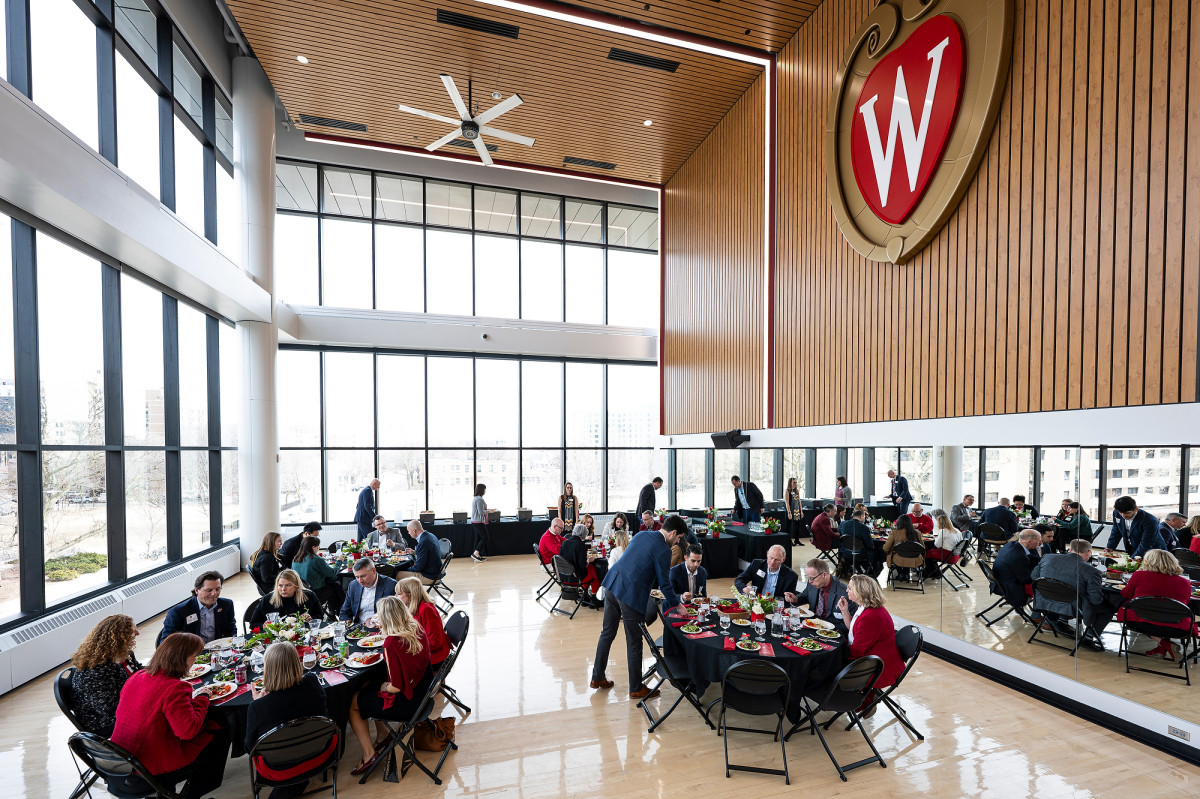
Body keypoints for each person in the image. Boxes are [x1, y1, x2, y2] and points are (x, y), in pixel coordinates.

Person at [110, 633, 230, 799]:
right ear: (181, 658)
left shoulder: (136, 676)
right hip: (150, 768)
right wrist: (203, 698)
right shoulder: (175, 688)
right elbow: (188, 731)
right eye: (194, 656)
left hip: (119, 762)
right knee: (220, 731)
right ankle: (192, 794)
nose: (196, 660)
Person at [590, 515, 686, 698]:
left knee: (607, 633)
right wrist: (678, 605)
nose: (678, 542)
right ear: (673, 533)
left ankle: (597, 676)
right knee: (634, 642)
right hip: (630, 594)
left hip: (612, 584)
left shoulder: (642, 535)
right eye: (679, 538)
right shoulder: (664, 549)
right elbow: (665, 584)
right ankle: (635, 688)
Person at [347, 596, 433, 777]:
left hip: (408, 704)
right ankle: (383, 735)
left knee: (353, 702)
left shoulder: (392, 643)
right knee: (370, 685)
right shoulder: (415, 626)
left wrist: (383, 686)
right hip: (423, 692)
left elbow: (395, 687)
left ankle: (369, 754)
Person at [245, 643, 329, 799]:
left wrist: (258, 703)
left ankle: (293, 785)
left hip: (279, 768)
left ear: (267, 669)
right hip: (319, 752)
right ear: (297, 663)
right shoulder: (312, 683)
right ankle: (298, 782)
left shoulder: (258, 707)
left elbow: (250, 747)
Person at [1030, 538, 1114, 651]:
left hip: (1045, 602)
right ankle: (1088, 638)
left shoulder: (1048, 557)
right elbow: (1095, 600)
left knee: (1070, 593)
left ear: (1070, 549)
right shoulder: (1091, 571)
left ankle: (1062, 622)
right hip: (1072, 607)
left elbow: (1034, 577)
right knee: (1108, 609)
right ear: (1089, 552)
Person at [840, 575, 905, 715]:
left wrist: (835, 649)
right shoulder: (867, 608)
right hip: (881, 660)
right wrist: (845, 611)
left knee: (828, 664)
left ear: (860, 592)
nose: (846, 590)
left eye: (850, 588)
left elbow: (856, 652)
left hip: (877, 669)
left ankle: (860, 698)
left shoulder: (869, 616)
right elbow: (855, 630)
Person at [69, 614, 142, 737]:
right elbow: (109, 710)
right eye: (132, 631)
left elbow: (139, 673)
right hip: (102, 723)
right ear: (120, 637)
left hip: (126, 707)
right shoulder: (95, 670)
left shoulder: (125, 655)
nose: (137, 633)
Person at [1119, 549, 1199, 661]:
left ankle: (1164, 644)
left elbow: (1125, 594)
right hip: (1176, 626)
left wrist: (1139, 574)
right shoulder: (1185, 583)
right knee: (1164, 614)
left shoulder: (1140, 575)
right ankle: (1162, 648)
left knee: (1139, 612)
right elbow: (1185, 602)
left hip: (1141, 622)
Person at [157, 571, 236, 645]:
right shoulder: (179, 611)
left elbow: (231, 631)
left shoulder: (227, 605)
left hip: (218, 651)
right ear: (196, 590)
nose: (214, 593)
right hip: (191, 653)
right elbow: (166, 642)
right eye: (209, 590)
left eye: (217, 589)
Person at [395, 576, 450, 668]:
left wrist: (410, 648)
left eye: (399, 594)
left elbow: (435, 642)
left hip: (434, 657)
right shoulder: (412, 607)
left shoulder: (426, 610)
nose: (396, 597)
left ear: (411, 595)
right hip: (423, 649)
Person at [786, 559, 856, 631]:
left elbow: (852, 623)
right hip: (811, 624)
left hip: (833, 631)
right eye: (808, 578)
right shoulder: (812, 583)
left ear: (824, 575)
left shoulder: (845, 593)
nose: (809, 581)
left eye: (812, 578)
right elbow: (805, 596)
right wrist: (795, 599)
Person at [249, 569, 324, 629]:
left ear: (296, 586)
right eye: (280, 585)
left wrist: (311, 619)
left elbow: (319, 616)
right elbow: (253, 624)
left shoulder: (309, 596)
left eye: (288, 585)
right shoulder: (268, 600)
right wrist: (264, 625)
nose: (283, 589)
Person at [991, 529, 1044, 614]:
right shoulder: (1019, 557)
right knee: (1045, 587)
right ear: (1029, 542)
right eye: (1038, 541)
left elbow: (1030, 557)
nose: (1040, 543)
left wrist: (1046, 560)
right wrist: (1041, 574)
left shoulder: (1011, 544)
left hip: (1000, 582)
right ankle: (1036, 616)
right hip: (1011, 589)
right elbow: (1025, 579)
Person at [291, 538, 346, 615]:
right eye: (318, 546)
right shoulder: (315, 559)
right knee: (336, 588)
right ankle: (339, 612)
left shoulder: (295, 559)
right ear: (313, 547)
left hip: (300, 593)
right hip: (316, 593)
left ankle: (332, 611)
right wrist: (339, 561)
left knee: (333, 586)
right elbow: (332, 573)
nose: (319, 547)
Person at [339, 559, 399, 626]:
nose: (360, 581)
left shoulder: (391, 586)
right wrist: (348, 623)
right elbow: (345, 612)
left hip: (382, 627)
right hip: (358, 627)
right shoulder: (353, 585)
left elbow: (397, 615)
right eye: (357, 577)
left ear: (373, 571)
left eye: (363, 576)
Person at [561, 523, 606, 608]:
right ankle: (593, 598)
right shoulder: (581, 545)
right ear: (583, 534)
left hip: (565, 574)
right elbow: (583, 565)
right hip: (576, 575)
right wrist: (589, 560)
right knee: (596, 574)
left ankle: (585, 597)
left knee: (591, 570)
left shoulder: (564, 543)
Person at [734, 544, 799, 597]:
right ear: (767, 554)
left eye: (776, 560)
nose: (772, 562)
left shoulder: (791, 576)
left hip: (775, 607)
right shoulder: (756, 565)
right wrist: (744, 588)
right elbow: (739, 580)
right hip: (756, 604)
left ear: (783, 560)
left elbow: (789, 600)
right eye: (771, 558)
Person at [838, 508, 880, 578]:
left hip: (846, 552)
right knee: (879, 555)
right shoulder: (864, 528)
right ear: (861, 516)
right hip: (860, 554)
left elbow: (839, 531)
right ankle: (870, 575)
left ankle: (861, 572)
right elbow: (870, 545)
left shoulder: (843, 524)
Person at [249, 532, 283, 596]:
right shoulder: (266, 559)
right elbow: (267, 578)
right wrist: (284, 577)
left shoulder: (263, 553)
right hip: (269, 587)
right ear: (271, 543)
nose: (281, 544)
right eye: (279, 541)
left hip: (268, 585)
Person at [470, 483, 489, 563]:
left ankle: (476, 555)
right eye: (484, 489)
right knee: (485, 537)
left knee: (478, 538)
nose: (485, 491)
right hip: (478, 521)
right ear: (482, 490)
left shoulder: (476, 498)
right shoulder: (479, 499)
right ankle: (476, 553)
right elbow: (481, 512)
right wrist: (489, 511)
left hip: (475, 521)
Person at [784, 477, 804, 545]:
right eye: (794, 482)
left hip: (796, 510)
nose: (795, 484)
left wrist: (801, 511)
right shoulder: (787, 491)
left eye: (796, 482)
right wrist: (789, 512)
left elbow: (799, 501)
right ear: (790, 483)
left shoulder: (796, 491)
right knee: (789, 526)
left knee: (797, 526)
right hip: (790, 510)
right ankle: (788, 540)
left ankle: (797, 540)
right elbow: (787, 502)